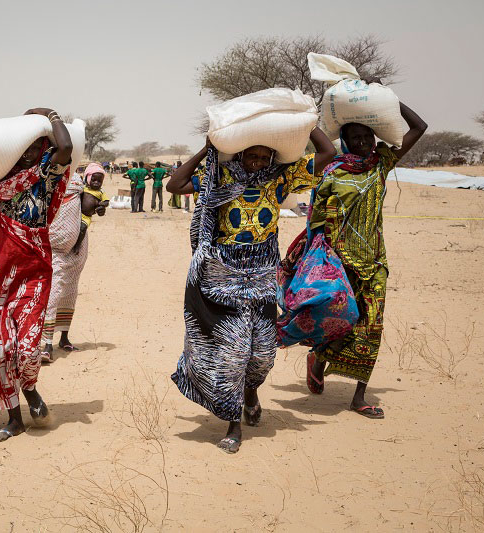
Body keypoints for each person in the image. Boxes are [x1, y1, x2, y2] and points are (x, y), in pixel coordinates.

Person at [167, 127, 336, 454]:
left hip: (262, 274)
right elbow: (174, 184)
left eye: (264, 156)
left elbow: (327, 154)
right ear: (240, 154)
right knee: (233, 352)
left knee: (262, 355)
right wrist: (207, 150)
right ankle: (233, 424)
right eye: (252, 155)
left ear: (271, 157)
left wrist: (307, 124)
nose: (258, 162)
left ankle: (250, 392)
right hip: (223, 273)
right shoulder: (220, 177)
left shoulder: (281, 179)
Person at [307, 84, 427, 419]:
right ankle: (318, 357)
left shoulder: (381, 164)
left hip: (375, 261)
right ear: (345, 141)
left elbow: (419, 128)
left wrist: (388, 99)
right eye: (355, 138)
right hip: (339, 263)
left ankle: (359, 397)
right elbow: (316, 220)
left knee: (371, 327)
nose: (362, 143)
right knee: (339, 322)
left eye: (367, 136)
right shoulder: (332, 172)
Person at [0, 107, 73, 443]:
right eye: (21, 148)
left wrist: (51, 115)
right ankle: (14, 419)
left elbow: (66, 149)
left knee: (26, 348)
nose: (27, 154)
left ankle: (32, 389)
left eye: (35, 147)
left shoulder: (45, 176)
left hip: (34, 272)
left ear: (42, 149)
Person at [41, 162, 107, 363]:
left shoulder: (88, 191)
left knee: (70, 292)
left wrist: (100, 208)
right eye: (93, 178)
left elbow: (93, 209)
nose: (96, 182)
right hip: (59, 250)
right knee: (54, 291)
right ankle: (46, 344)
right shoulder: (71, 187)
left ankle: (64, 338)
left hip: (77, 252)